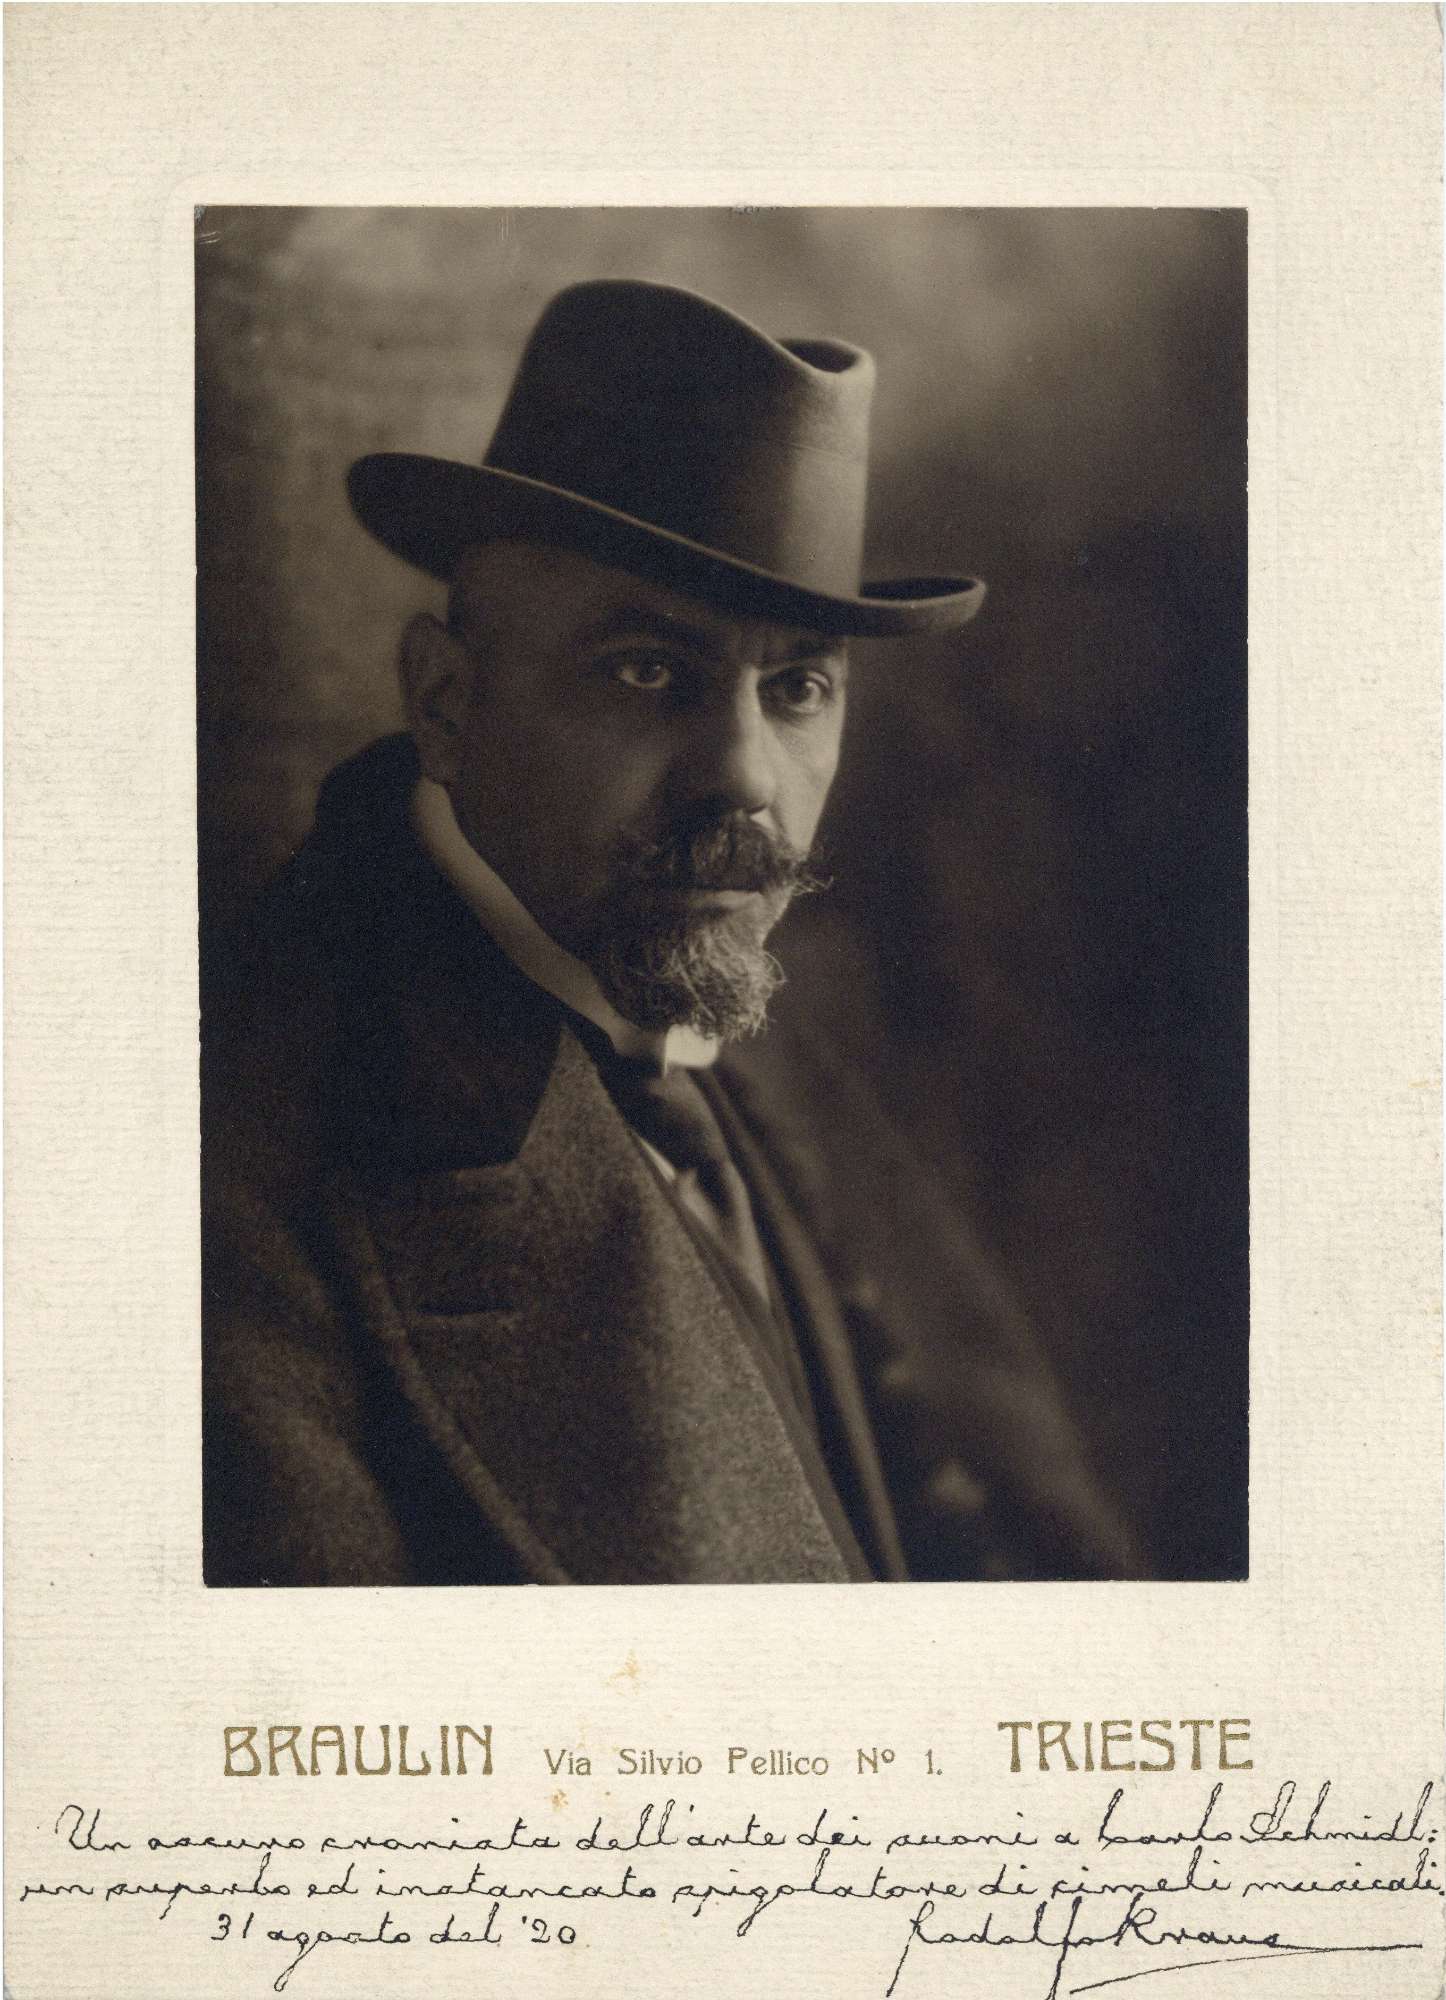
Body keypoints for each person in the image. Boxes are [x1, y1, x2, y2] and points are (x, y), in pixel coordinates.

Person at [202, 278, 1144, 1586]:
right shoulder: (241, 1182)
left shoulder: (741, 1030)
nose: (744, 777)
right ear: (447, 702)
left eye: (797, 686)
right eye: (646, 671)